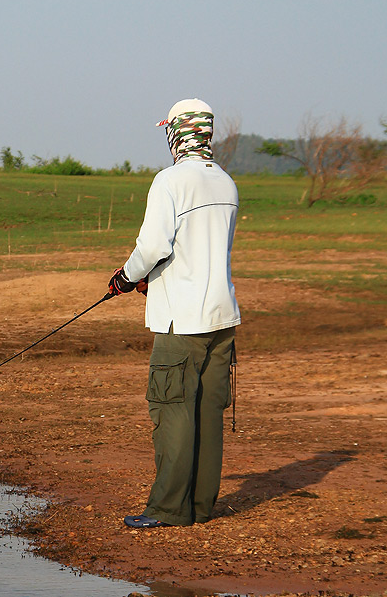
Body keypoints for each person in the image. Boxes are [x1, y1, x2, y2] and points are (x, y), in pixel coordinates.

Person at [107, 98, 241, 529]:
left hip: (180, 323)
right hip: (222, 320)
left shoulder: (169, 181)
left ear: (176, 133)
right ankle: (201, 508)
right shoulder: (227, 183)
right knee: (207, 413)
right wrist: (153, 279)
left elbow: (153, 248)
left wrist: (126, 279)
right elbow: (197, 251)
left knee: (173, 411)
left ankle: (167, 511)